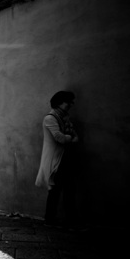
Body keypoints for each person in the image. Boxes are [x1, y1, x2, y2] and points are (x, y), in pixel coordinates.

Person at [35, 90, 81, 229]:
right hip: (56, 160)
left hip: (64, 158)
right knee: (57, 189)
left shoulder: (64, 118)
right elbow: (60, 138)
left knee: (67, 189)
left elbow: (75, 137)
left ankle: (64, 220)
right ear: (59, 102)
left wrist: (70, 137)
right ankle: (51, 219)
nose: (71, 105)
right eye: (68, 102)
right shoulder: (50, 118)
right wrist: (70, 138)